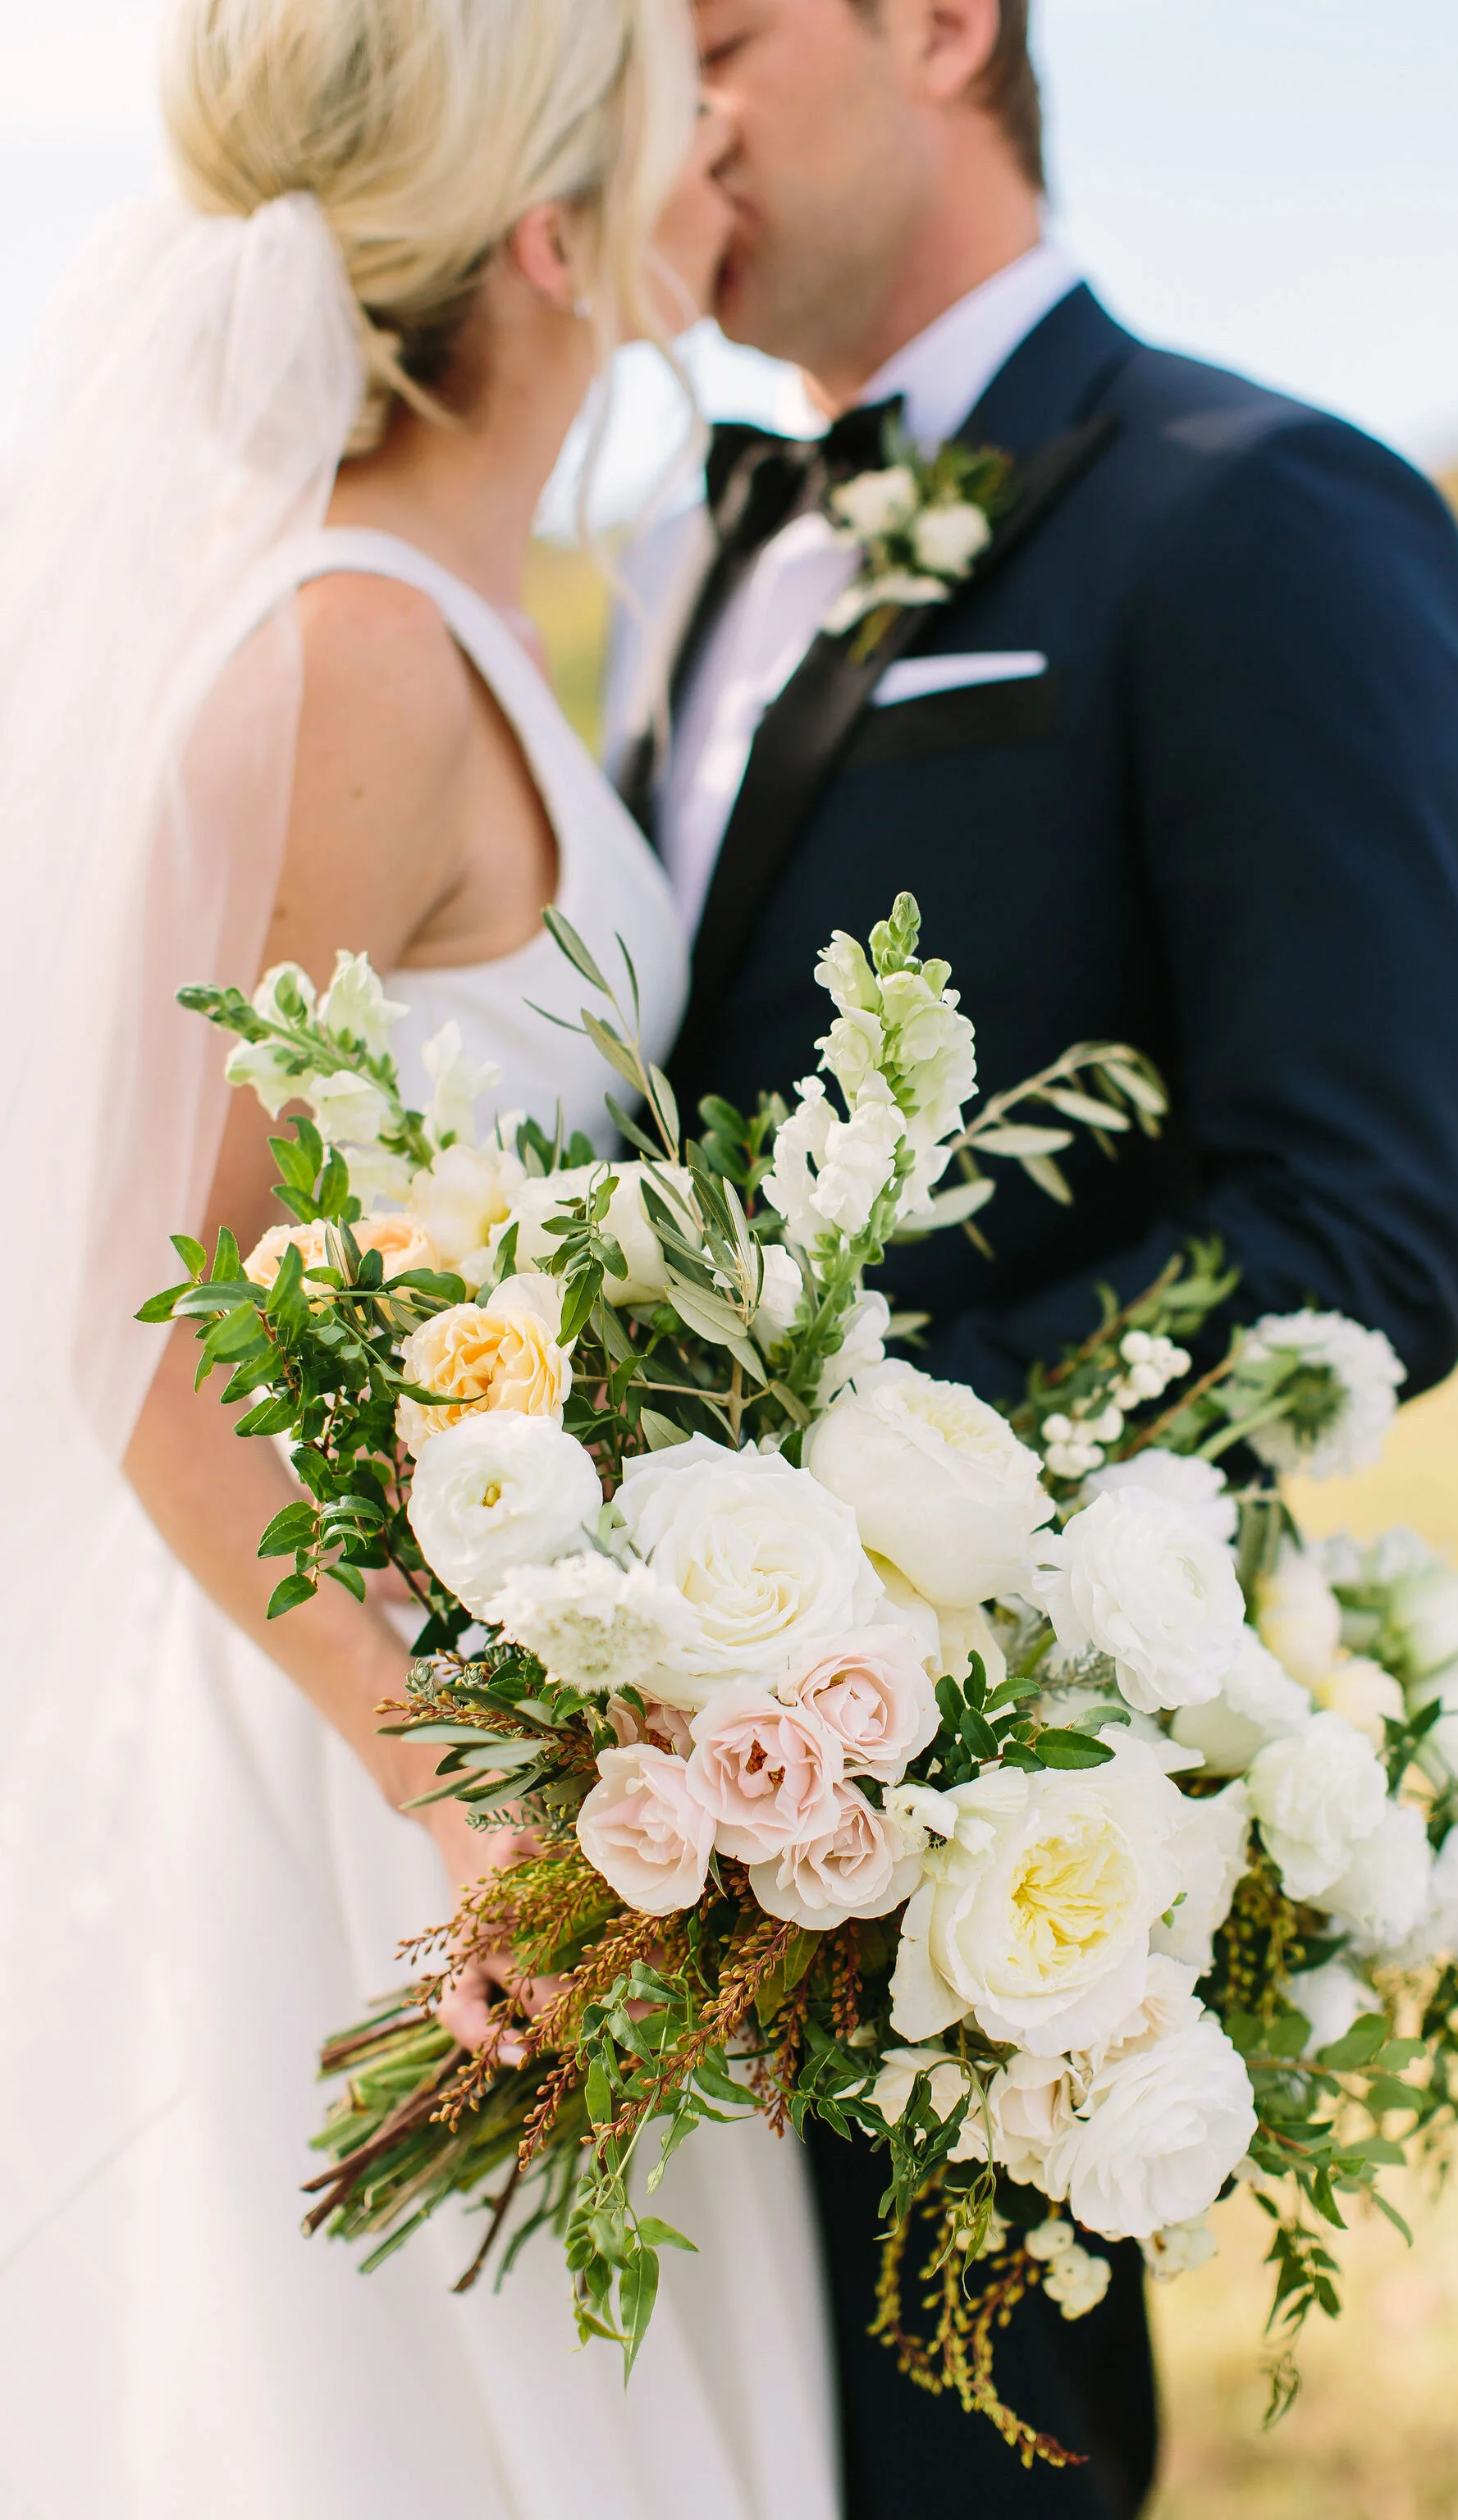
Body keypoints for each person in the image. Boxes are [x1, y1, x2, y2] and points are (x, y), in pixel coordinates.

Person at [606, 1, 1458, 2512]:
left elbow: (1355, 1227)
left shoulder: (1266, 508)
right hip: (620, 1807)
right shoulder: (673, 548)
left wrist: (834, 1581)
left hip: (986, 1808)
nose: (663, 124)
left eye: (717, 42)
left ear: (937, 22)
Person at [0, 4, 840, 2515]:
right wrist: (465, 1791)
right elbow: (138, 1331)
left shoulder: (467, 619)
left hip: (516, 1731)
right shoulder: (343, 653)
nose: (717, 122)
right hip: (370, 1765)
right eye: (655, 104)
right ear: (558, 237)